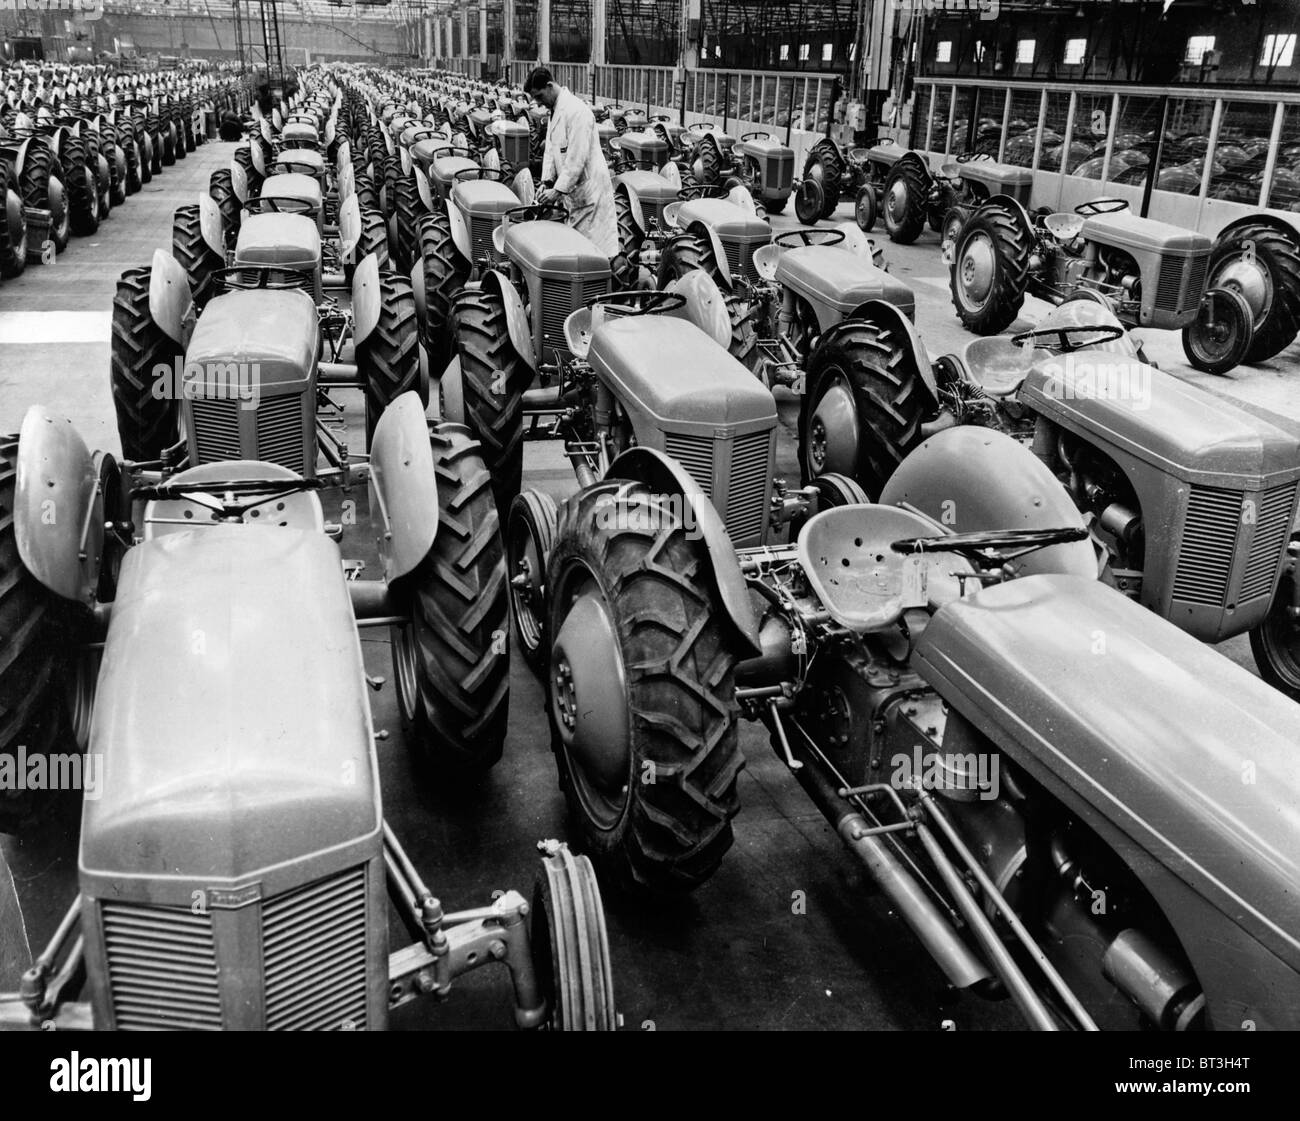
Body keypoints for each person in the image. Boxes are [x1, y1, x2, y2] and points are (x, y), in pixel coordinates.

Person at [525, 66, 619, 259]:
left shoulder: (577, 112)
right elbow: (551, 150)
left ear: (550, 86)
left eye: (540, 96)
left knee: (592, 253)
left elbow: (576, 160)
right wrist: (546, 182)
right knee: (577, 251)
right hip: (574, 193)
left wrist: (557, 192)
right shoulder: (555, 111)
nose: (539, 103)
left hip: (590, 193)